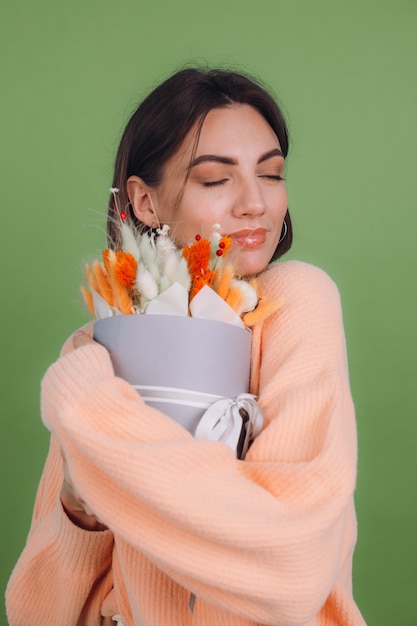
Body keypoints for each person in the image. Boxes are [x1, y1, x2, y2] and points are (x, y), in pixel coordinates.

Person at [6, 67, 366, 626]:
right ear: (145, 203)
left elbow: (287, 571)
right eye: (215, 180)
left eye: (271, 174)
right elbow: (38, 614)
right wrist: (80, 512)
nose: (255, 204)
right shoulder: (94, 345)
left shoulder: (296, 302)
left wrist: (86, 411)